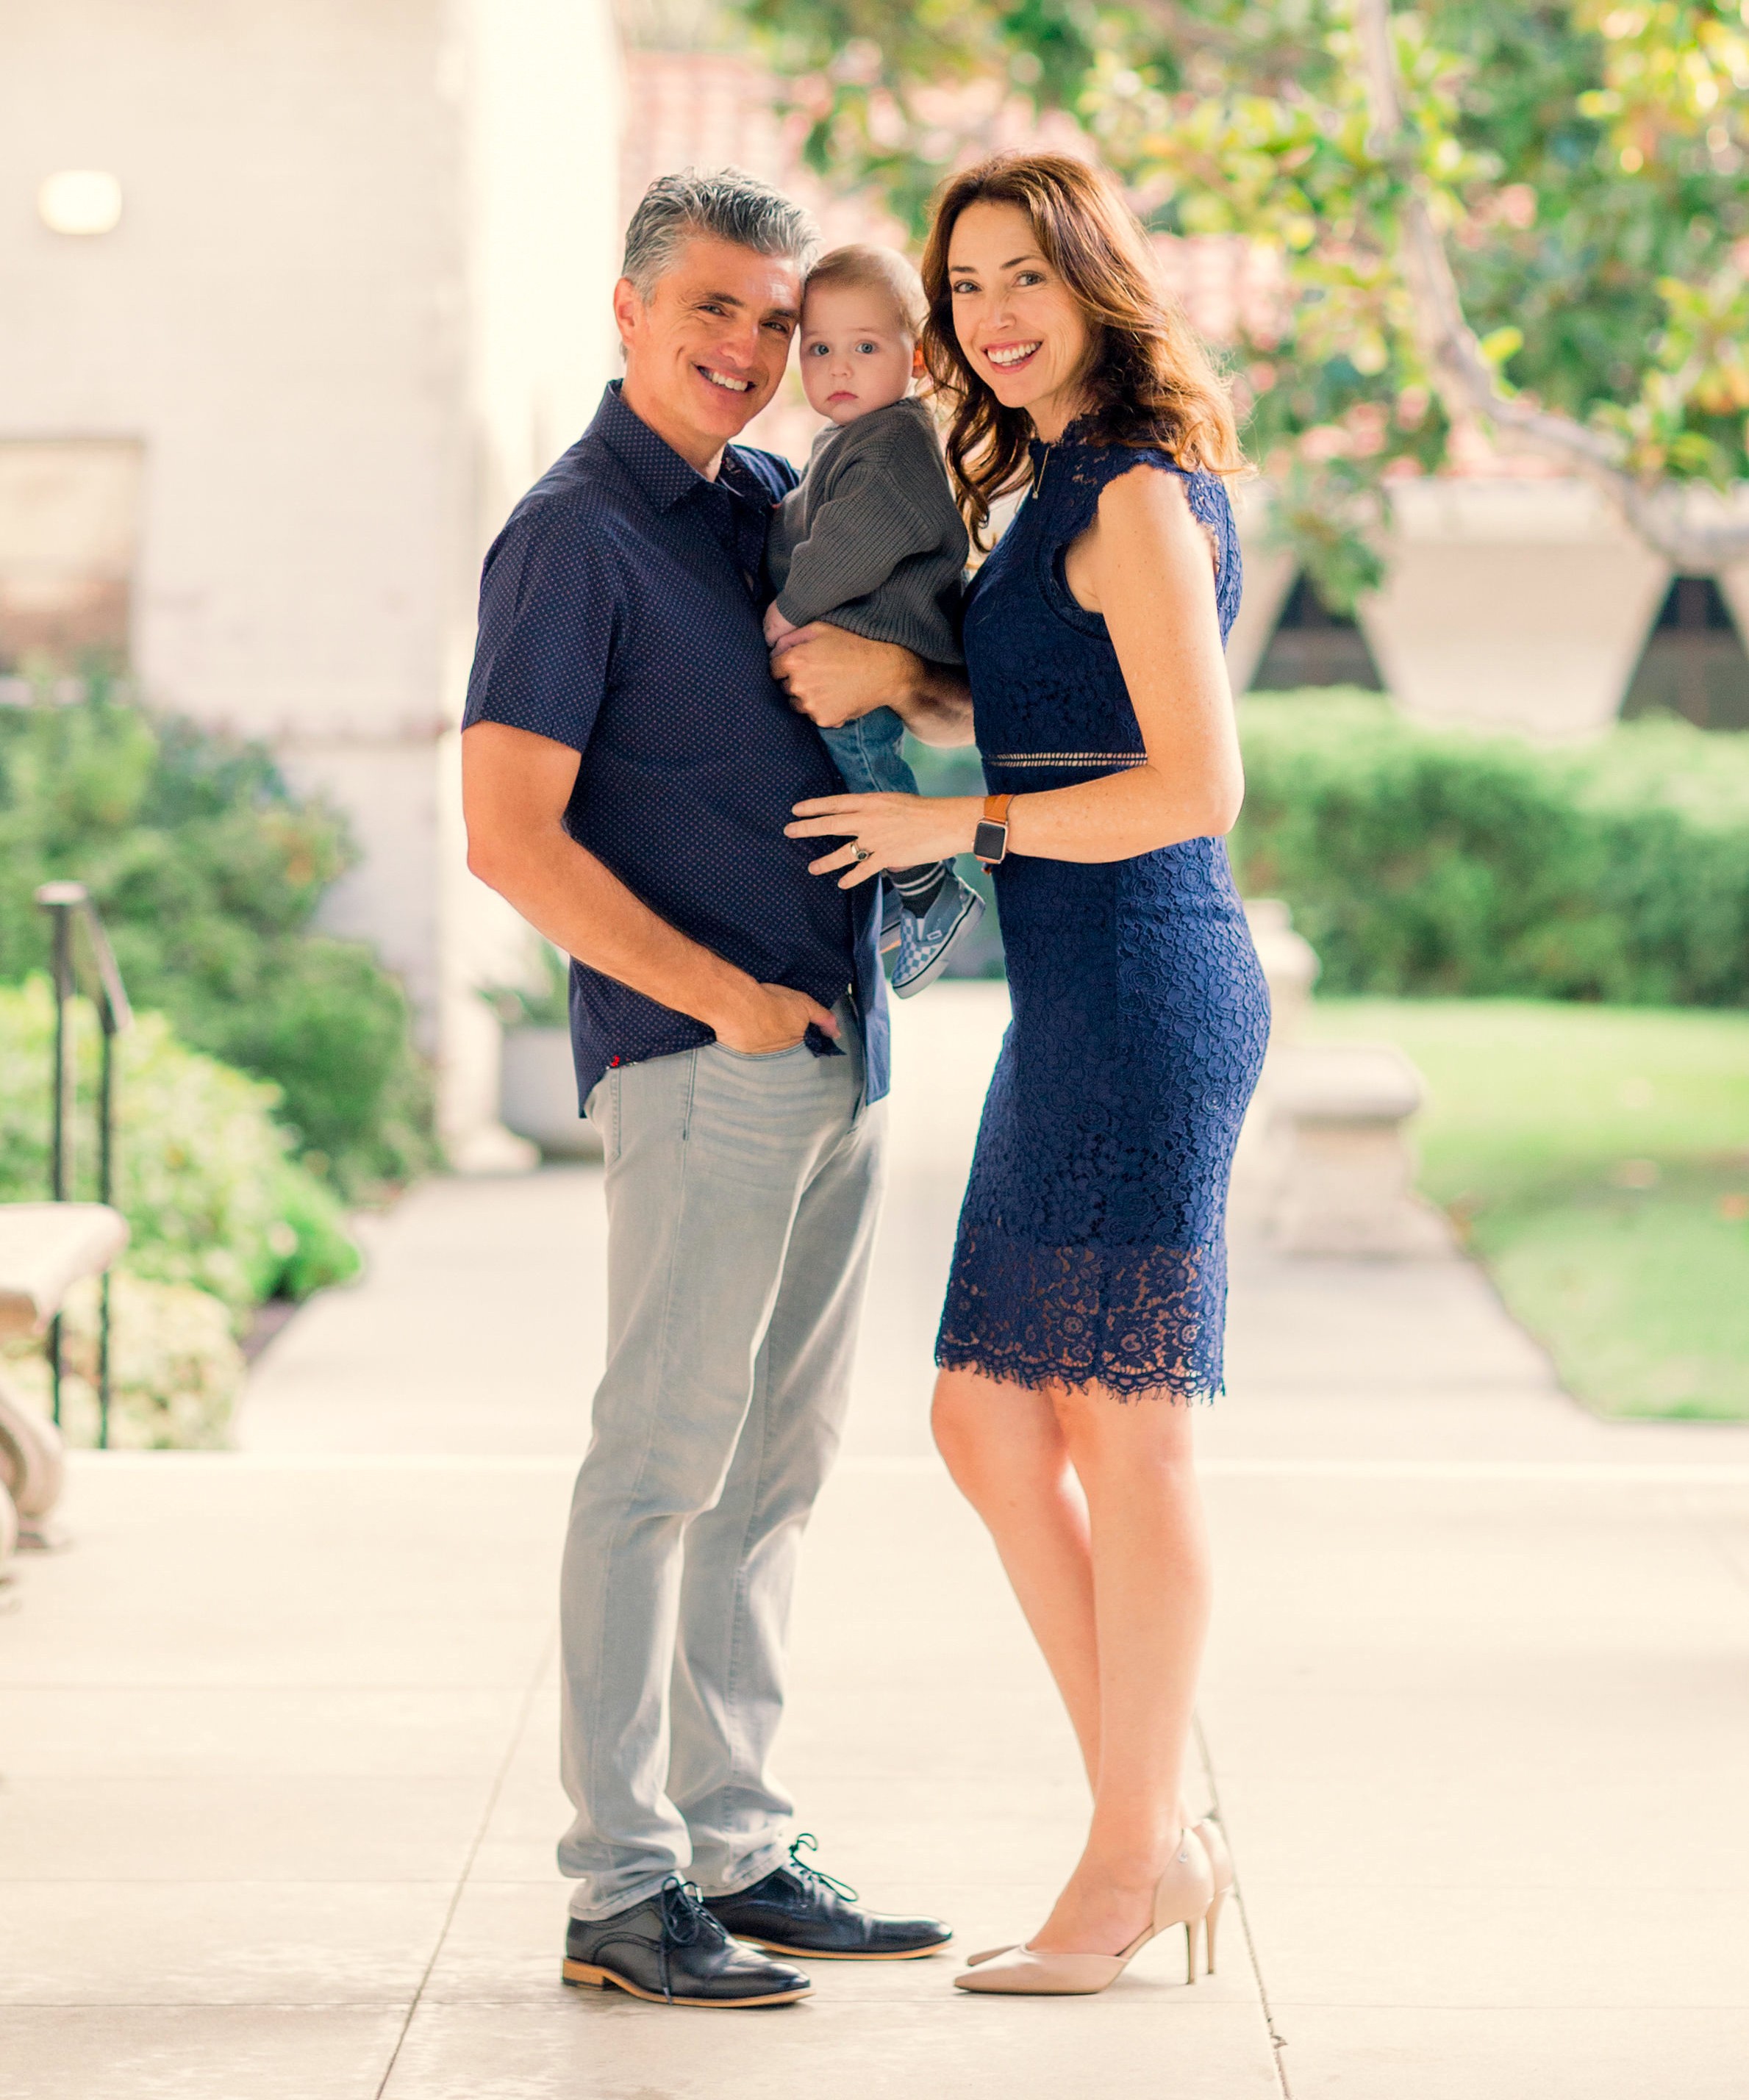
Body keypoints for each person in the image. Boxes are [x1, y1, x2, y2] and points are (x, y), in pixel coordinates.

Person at [459, 167, 962, 2010]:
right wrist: (723, 1001)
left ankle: (734, 1840)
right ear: (625, 308)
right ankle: (617, 1883)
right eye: (713, 316)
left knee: (774, 1468)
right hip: (702, 1057)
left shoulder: (765, 501)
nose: (749, 355)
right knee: (658, 1466)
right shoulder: (569, 536)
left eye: (771, 320)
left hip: (836, 1051)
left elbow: (885, 686)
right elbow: (507, 838)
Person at [784, 150, 1270, 1998]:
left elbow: (1187, 790)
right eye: (960, 284)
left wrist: (953, 821)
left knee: (1122, 1435)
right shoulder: (1047, 484)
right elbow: (1076, 710)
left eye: (1018, 278)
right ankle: (1147, 1841)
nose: (986, 314)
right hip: (1080, 995)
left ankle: (1118, 1864)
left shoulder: (1133, 490)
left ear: (1088, 280)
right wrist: (912, 700)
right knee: (990, 1423)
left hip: (1150, 983)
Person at [764, 243, 984, 995]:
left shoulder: (894, 439)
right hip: (861, 633)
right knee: (849, 766)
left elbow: (853, 542)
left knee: (860, 763)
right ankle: (900, 891)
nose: (840, 368)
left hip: (881, 634)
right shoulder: (853, 439)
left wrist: (783, 609)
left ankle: (928, 887)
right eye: (819, 348)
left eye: (864, 347)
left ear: (915, 359)